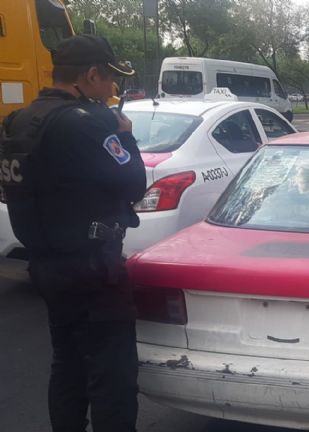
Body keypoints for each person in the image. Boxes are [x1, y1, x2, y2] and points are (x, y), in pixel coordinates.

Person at [0, 35, 146, 431]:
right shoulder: (90, 120)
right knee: (113, 374)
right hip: (94, 267)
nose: (112, 88)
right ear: (91, 74)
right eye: (110, 78)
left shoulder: (20, 120)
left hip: (46, 265)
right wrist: (127, 136)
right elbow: (134, 184)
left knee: (67, 365)